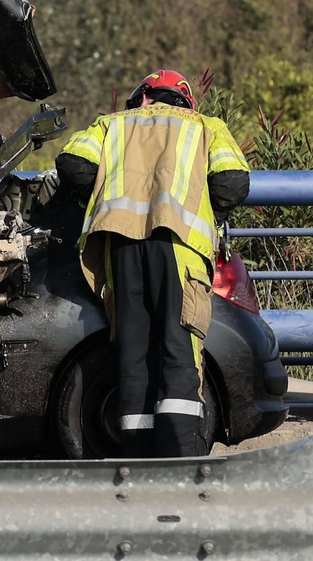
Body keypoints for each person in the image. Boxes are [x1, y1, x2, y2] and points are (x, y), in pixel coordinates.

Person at [55, 70, 250, 457]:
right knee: (179, 354)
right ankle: (180, 463)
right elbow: (232, 182)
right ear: (185, 101)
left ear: (142, 97)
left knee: (133, 355)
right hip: (180, 250)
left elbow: (74, 164)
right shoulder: (206, 127)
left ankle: (136, 461)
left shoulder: (110, 125)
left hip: (121, 250)